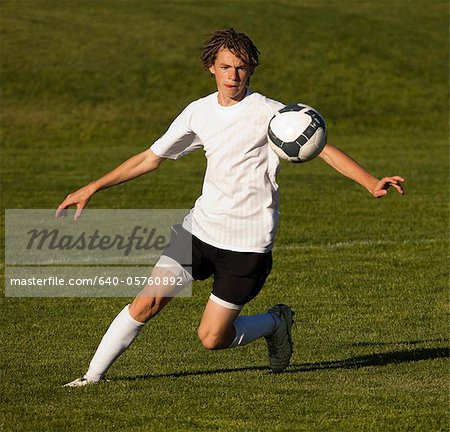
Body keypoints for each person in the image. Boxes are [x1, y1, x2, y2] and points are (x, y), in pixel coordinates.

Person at [57, 28, 404, 387]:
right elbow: (150, 158)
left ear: (250, 69)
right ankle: (91, 378)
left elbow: (321, 146)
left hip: (247, 245)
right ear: (211, 67)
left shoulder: (270, 112)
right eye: (226, 67)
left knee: (211, 338)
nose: (233, 76)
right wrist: (93, 186)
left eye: (240, 68)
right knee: (146, 303)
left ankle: (274, 322)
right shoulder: (197, 112)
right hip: (200, 230)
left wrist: (369, 181)